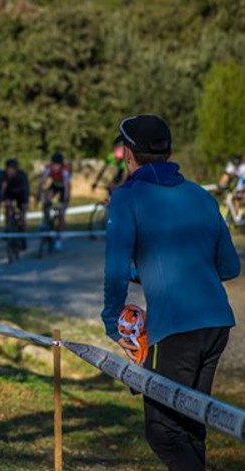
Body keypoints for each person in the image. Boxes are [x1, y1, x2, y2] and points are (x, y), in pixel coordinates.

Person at [102, 114, 240, 471]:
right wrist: (148, 272)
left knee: (164, 431)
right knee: (190, 425)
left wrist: (112, 324)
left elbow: (115, 270)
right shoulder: (200, 195)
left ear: (128, 154)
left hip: (175, 329)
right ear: (169, 152)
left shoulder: (127, 197)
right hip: (217, 324)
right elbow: (229, 267)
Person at [36, 151, 72, 251]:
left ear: (61, 164)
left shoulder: (65, 171)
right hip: (55, 185)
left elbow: (66, 187)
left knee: (61, 213)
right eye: (54, 164)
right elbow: (41, 181)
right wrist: (38, 194)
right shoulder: (48, 168)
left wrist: (64, 201)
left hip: (64, 188)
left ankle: (59, 238)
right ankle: (46, 220)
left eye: (57, 164)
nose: (55, 166)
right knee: (46, 199)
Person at [0, 158, 30, 249]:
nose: (10, 171)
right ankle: (8, 225)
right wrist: (1, 198)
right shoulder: (3, 175)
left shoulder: (22, 176)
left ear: (16, 169)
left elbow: (26, 189)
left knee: (22, 214)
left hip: (21, 194)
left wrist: (25, 203)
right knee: (7, 207)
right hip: (10, 193)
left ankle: (22, 234)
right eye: (9, 169)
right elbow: (1, 190)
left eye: (12, 169)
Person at [219, 153, 245, 224]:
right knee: (232, 199)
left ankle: (239, 216)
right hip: (235, 182)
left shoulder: (243, 168)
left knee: (238, 197)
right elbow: (226, 176)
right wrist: (221, 186)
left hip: (241, 182)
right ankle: (235, 217)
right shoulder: (231, 165)